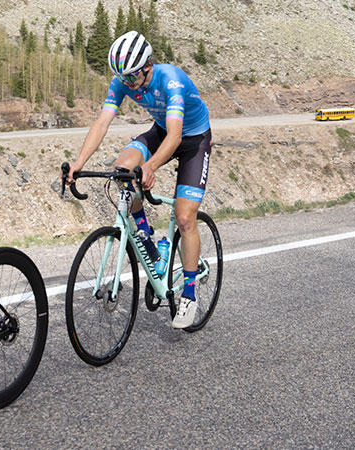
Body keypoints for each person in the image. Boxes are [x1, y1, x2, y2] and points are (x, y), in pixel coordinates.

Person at [65, 30, 212, 329]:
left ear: (148, 65)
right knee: (123, 169)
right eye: (123, 78)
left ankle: (190, 293)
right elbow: (102, 122)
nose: (128, 84)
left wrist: (152, 166)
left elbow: (175, 136)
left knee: (184, 218)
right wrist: (80, 162)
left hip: (193, 138)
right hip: (161, 130)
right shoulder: (122, 80)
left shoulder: (171, 80)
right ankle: (149, 243)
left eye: (132, 77)